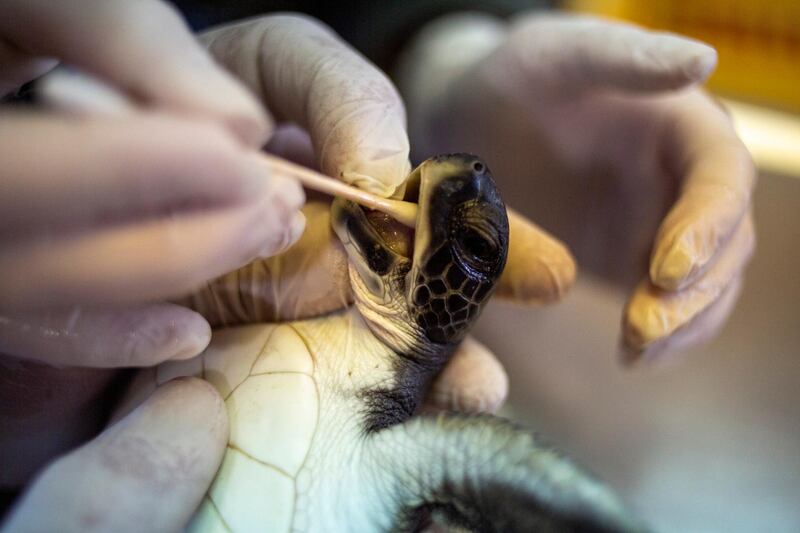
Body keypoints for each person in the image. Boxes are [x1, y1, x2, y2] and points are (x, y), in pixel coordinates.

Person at [0, 1, 754, 529]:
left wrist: (437, 50)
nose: (428, 198)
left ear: (443, 310)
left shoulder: (407, 453)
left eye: (470, 248)